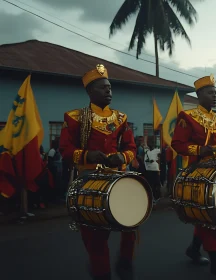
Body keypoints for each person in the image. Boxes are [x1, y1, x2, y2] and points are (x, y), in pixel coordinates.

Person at [59, 64, 137, 280]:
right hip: (89, 180)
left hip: (117, 178)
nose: (108, 91)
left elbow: (131, 148)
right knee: (95, 235)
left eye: (110, 88)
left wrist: (122, 157)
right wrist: (86, 155)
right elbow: (65, 150)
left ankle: (125, 262)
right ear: (90, 92)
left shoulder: (121, 119)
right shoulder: (75, 118)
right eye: (103, 88)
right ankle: (101, 272)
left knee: (131, 225)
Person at [171, 74, 216, 277]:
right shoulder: (187, 116)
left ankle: (193, 248)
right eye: (210, 92)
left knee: (205, 215)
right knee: (208, 216)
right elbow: (178, 144)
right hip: (199, 172)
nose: (214, 96)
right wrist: (201, 150)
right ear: (199, 95)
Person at [144, 136, 162, 203]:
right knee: (150, 185)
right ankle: (151, 199)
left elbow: (160, 160)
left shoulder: (157, 151)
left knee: (156, 185)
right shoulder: (146, 151)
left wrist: (159, 170)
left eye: (152, 142)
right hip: (148, 171)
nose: (150, 143)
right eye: (149, 142)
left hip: (155, 170)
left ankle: (155, 199)